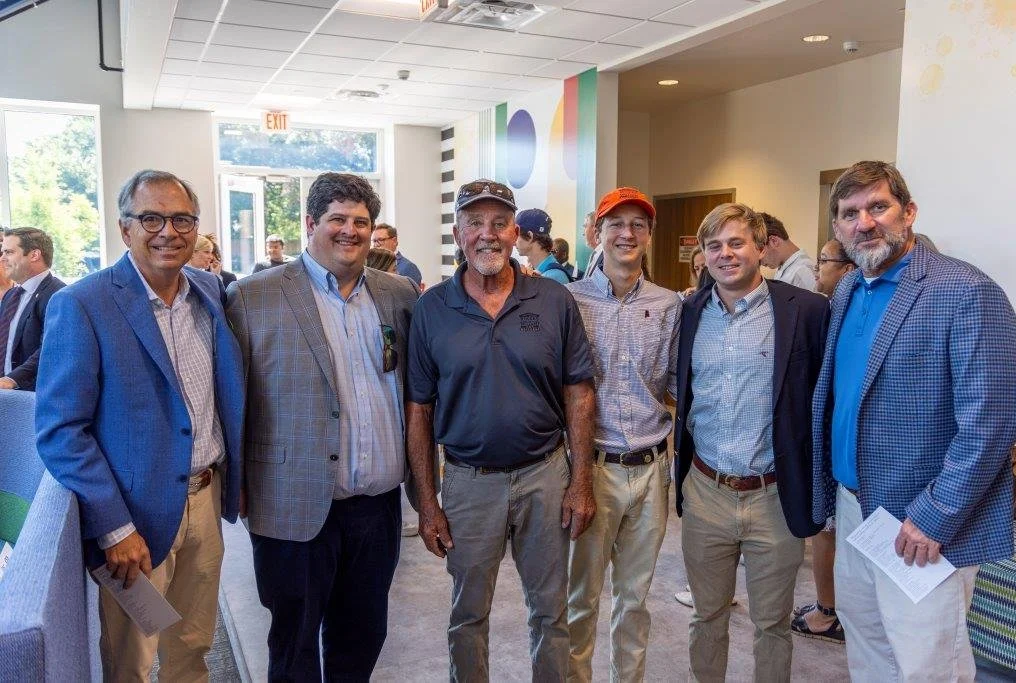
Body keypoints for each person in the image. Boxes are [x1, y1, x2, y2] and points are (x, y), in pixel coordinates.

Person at [812, 161, 1016, 682]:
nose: (864, 223)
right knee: (868, 649)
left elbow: (993, 421)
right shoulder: (847, 291)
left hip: (921, 525)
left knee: (928, 665)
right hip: (857, 510)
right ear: (837, 228)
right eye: (849, 213)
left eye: (877, 207)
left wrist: (936, 514)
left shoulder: (965, 291)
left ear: (908, 213)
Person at [35, 169, 244, 681]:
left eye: (181, 219)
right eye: (151, 218)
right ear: (124, 227)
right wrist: (114, 526)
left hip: (205, 504)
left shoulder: (208, 292)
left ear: (196, 228)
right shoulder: (82, 304)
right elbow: (62, 430)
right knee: (133, 658)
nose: (167, 231)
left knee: (193, 643)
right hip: (134, 525)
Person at [227, 172, 418, 681]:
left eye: (361, 221)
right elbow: (234, 401)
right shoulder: (252, 297)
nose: (350, 231)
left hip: (376, 510)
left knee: (362, 638)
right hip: (290, 503)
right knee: (294, 645)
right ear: (310, 223)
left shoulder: (398, 295)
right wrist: (238, 484)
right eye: (338, 219)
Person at [406, 178, 596, 681]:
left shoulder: (553, 300)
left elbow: (579, 393)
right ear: (457, 233)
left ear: (516, 231)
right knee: (467, 615)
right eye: (474, 223)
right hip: (468, 482)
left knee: (551, 611)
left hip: (545, 475)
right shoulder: (431, 309)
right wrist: (427, 503)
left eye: (498, 223)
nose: (486, 234)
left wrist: (581, 481)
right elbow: (419, 411)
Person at [675, 203, 829, 682]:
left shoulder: (806, 311)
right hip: (706, 492)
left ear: (762, 248)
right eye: (714, 246)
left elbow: (826, 396)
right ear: (702, 256)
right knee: (707, 616)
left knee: (772, 624)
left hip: (774, 496)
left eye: (737, 242)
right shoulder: (688, 314)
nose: (725, 254)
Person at [566, 187, 681, 681]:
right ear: (597, 233)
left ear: (649, 237)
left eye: (638, 225)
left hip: (652, 468)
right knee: (579, 599)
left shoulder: (670, 304)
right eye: (616, 224)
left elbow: (678, 385)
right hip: (591, 467)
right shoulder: (567, 301)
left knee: (635, 601)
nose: (627, 233)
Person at [789, 238, 856, 644]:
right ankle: (829, 606)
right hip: (833, 445)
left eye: (825, 261)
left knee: (825, 529)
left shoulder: (837, 314)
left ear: (847, 269)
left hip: (841, 452)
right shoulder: (832, 312)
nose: (818, 269)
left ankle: (827, 611)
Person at [0, 227, 65, 391]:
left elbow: (51, 348)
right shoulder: (11, 295)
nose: (2, 258)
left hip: (33, 397)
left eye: (9, 252)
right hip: (7, 395)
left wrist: (12, 380)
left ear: (34, 255)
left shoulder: (59, 295)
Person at [760, 212, 816, 291]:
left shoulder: (803, 272)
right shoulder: (783, 267)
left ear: (774, 241)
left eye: (760, 251)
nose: (759, 258)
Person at [515, 208, 570, 284]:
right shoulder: (541, 272)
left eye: (516, 235)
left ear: (530, 236)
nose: (513, 242)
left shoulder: (552, 278)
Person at [371, 223, 423, 289]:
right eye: (374, 241)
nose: (376, 245)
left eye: (381, 240)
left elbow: (412, 297)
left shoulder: (409, 267)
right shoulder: (370, 265)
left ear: (394, 241)